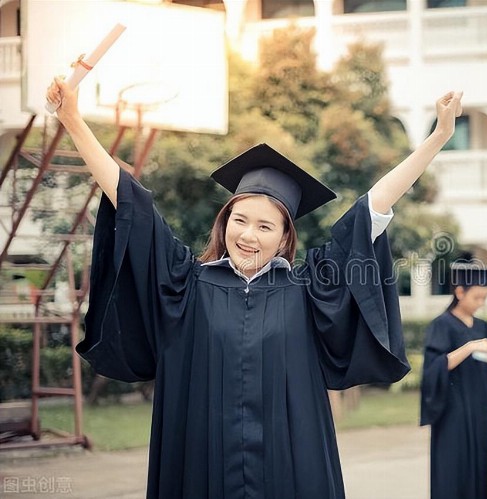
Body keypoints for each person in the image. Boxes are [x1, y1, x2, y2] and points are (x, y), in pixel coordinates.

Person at [46, 77, 463, 498]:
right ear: (224, 223)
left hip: (291, 468)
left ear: (284, 237)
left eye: (265, 225)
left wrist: (438, 137)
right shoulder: (185, 284)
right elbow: (131, 203)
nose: (248, 235)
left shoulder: (308, 290)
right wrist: (74, 120)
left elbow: (371, 211)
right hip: (202, 465)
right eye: (239, 220)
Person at [420, 262, 487, 499]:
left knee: (479, 467)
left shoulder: (482, 326)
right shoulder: (441, 325)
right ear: (459, 292)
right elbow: (433, 369)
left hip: (478, 409)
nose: (481, 303)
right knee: (454, 470)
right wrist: (469, 347)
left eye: (484, 298)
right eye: (477, 297)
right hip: (452, 412)